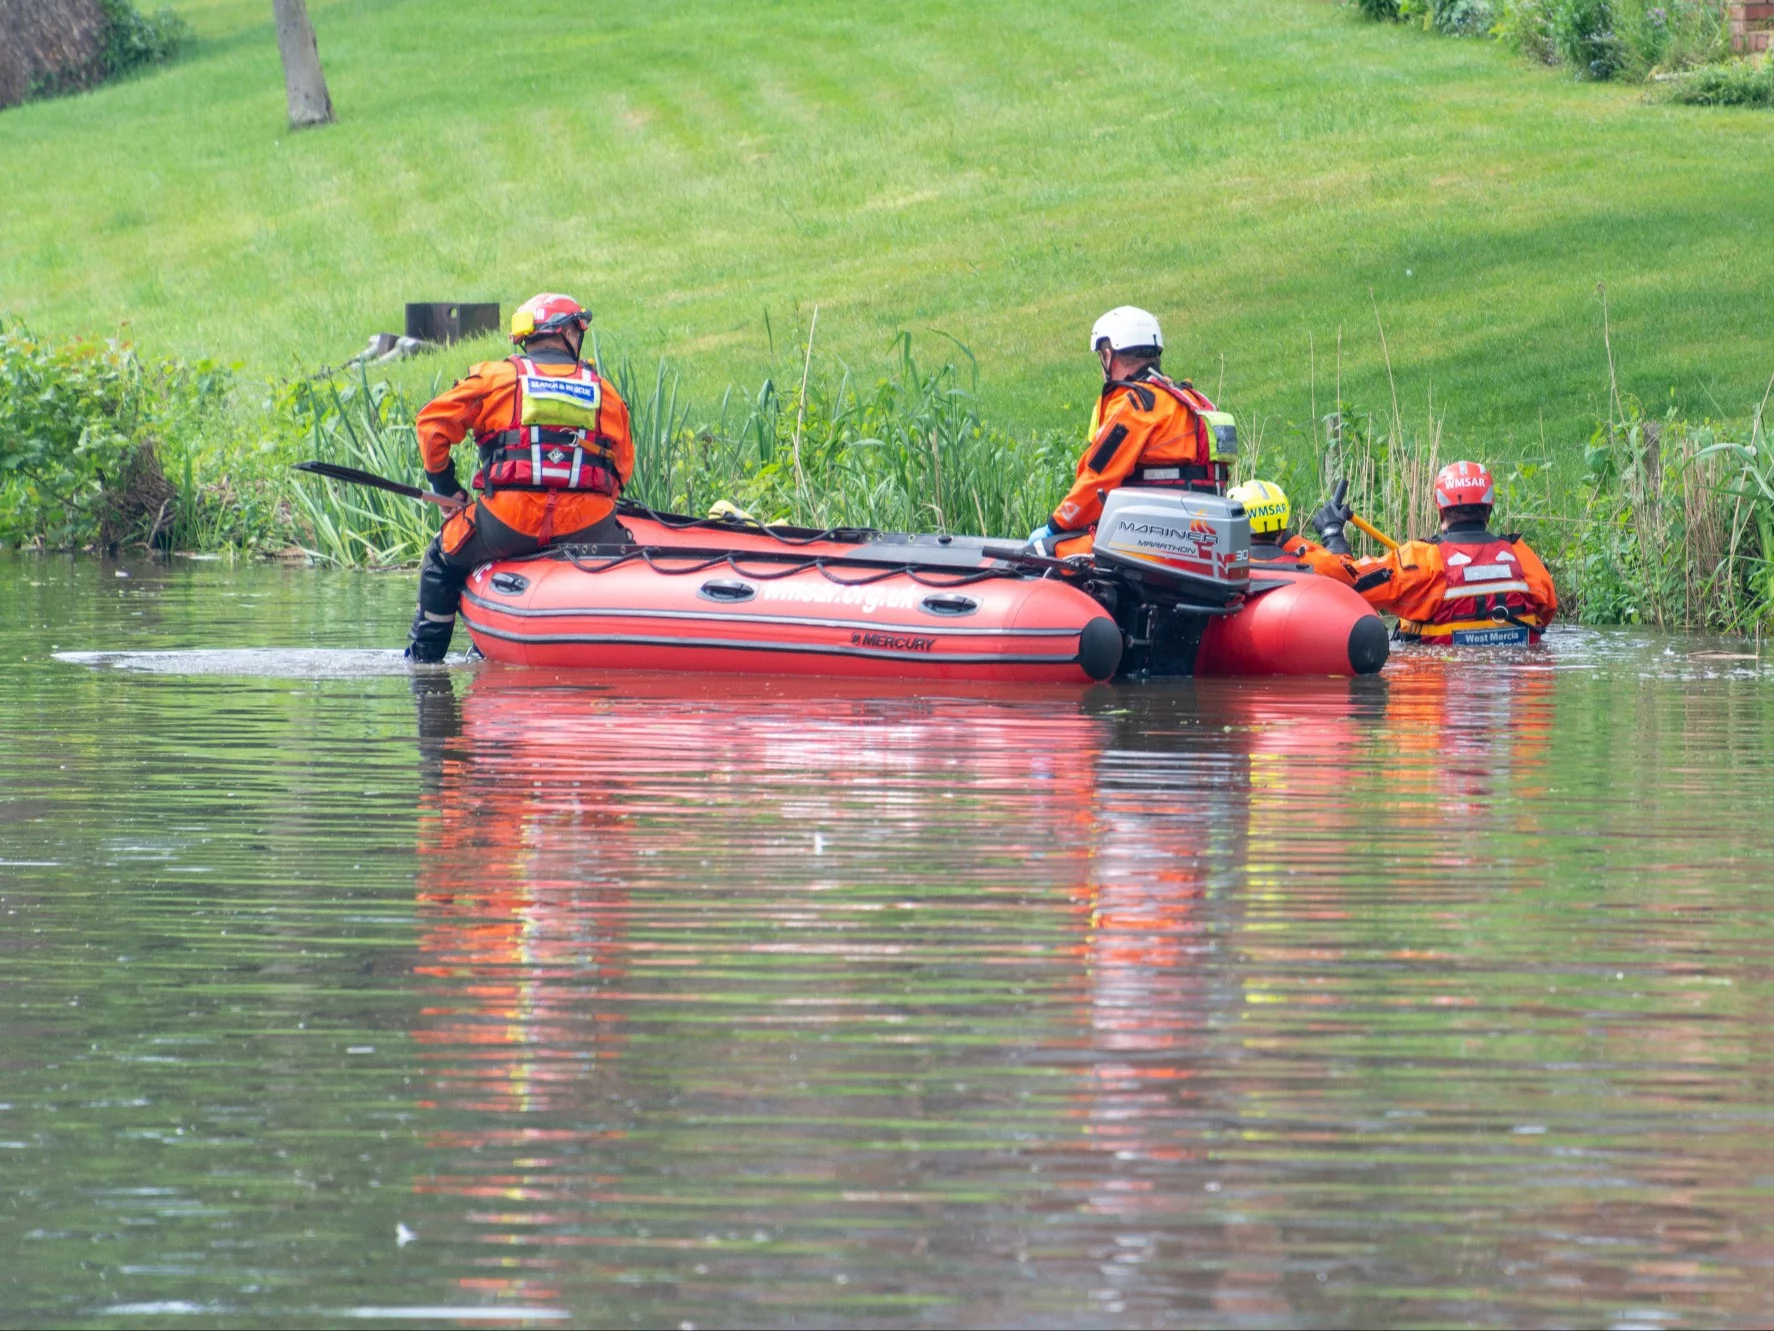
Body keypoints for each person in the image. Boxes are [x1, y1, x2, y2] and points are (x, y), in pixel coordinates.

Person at [406, 293, 636, 662]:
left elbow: (431, 425)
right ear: (569, 333)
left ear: (527, 338)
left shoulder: (496, 379)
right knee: (632, 553)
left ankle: (425, 662)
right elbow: (622, 466)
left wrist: (446, 487)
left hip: (506, 524)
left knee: (440, 559)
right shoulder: (604, 392)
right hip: (589, 527)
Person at [1028, 306, 1238, 558]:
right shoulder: (1195, 401)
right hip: (1202, 537)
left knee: (1040, 553)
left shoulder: (1135, 405)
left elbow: (1098, 481)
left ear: (1108, 355)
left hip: (1152, 540)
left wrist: (1055, 526)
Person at [1308, 460, 1558, 645]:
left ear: (1440, 510)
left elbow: (1346, 585)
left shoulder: (1421, 560)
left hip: (1432, 694)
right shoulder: (1522, 556)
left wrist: (1333, 535)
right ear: (1489, 509)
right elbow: (1546, 613)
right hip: (1514, 690)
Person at [1227, 478, 1349, 576]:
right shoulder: (1308, 566)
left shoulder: (1222, 567)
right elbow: (1347, 573)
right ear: (1282, 531)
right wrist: (1332, 533)